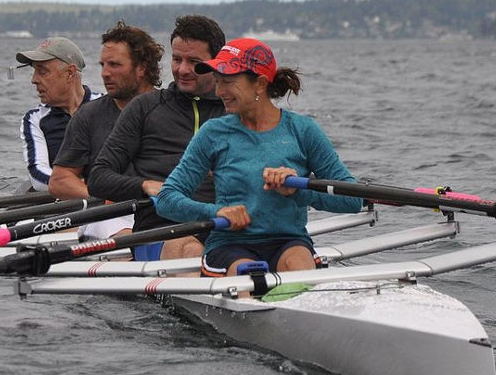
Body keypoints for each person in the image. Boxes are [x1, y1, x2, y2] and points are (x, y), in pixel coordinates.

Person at [154, 37, 364, 279]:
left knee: (299, 265)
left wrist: (298, 192)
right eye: (218, 82)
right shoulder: (213, 134)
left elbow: (352, 200)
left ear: (260, 84)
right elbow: (167, 199)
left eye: (228, 82)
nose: (219, 91)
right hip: (230, 245)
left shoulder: (303, 130)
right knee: (247, 274)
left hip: (289, 241)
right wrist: (216, 212)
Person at [88, 14, 226, 260]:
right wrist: (144, 185)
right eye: (176, 59)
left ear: (217, 62)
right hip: (158, 229)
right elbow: (99, 178)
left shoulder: (235, 110)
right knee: (190, 249)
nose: (182, 70)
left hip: (225, 225)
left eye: (194, 61)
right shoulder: (145, 107)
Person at [48, 21, 164, 240]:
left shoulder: (171, 109)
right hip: (110, 214)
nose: (105, 73)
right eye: (102, 65)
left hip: (160, 209)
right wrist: (104, 195)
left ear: (142, 68)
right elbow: (60, 180)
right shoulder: (89, 115)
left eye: (115, 65)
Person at [16, 36, 101, 192]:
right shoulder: (34, 119)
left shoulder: (107, 106)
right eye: (34, 71)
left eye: (42, 72)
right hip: (72, 200)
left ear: (70, 73)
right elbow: (38, 176)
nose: (34, 80)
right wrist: (83, 189)